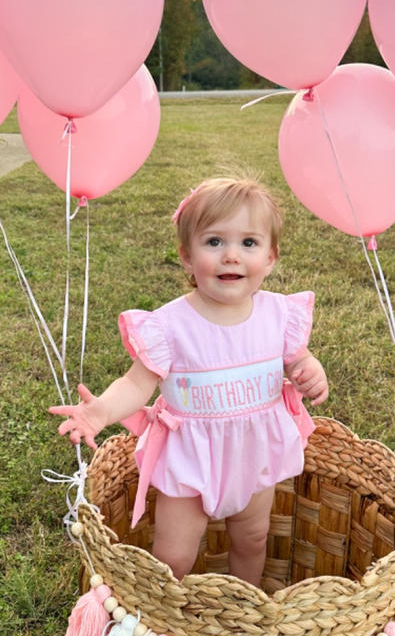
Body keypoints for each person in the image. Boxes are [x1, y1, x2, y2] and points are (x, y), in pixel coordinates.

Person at [50, 177, 328, 585]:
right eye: (214, 242)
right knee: (173, 554)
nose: (231, 256)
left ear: (270, 257)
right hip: (190, 457)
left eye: (248, 244)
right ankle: (169, 619)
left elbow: (296, 359)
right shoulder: (170, 326)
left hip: (254, 453)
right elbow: (137, 383)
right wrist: (101, 411)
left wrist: (309, 371)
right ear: (185, 255)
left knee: (252, 538)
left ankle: (243, 607)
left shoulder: (279, 315)